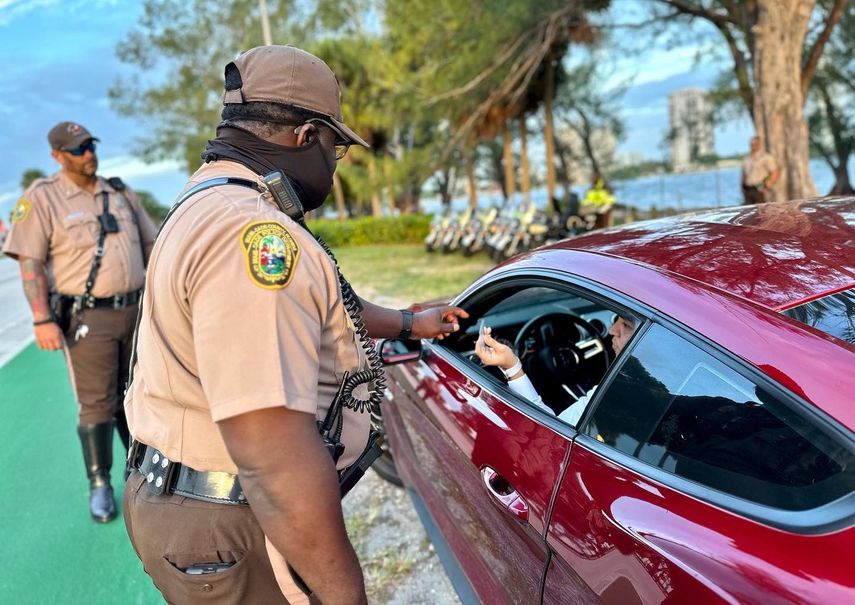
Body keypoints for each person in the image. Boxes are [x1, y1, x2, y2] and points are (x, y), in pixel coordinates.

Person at [122, 44, 468, 605]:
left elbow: (328, 303)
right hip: (231, 517)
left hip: (191, 502)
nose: (335, 165)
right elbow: (273, 456)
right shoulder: (252, 239)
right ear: (307, 136)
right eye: (336, 148)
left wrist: (408, 322)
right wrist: (343, 596)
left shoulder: (207, 197)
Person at [1, 122, 157, 523]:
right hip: (88, 317)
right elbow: (31, 264)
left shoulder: (119, 191)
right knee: (98, 403)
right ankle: (100, 482)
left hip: (137, 312)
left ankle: (142, 472)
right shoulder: (42, 199)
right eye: (77, 149)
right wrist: (42, 319)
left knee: (140, 393)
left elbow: (150, 245)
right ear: (57, 155)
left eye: (90, 145)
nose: (88, 153)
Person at [474, 315, 636, 426]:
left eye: (626, 325)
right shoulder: (632, 385)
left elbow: (543, 428)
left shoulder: (613, 395)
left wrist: (511, 366)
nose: (612, 330)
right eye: (616, 319)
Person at [741, 136, 779, 204]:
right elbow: (744, 174)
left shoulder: (766, 157)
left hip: (759, 189)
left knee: (760, 211)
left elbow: (774, 172)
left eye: (755, 144)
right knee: (749, 211)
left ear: (759, 145)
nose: (753, 146)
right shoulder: (747, 159)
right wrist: (742, 188)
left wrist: (767, 187)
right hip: (748, 190)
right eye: (751, 144)